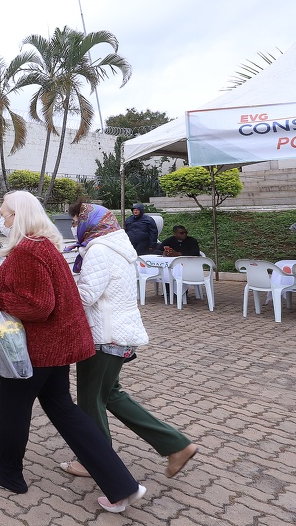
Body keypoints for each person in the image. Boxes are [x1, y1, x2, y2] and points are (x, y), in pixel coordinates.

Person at [0, 191, 146, 514]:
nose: (3, 219)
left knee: (13, 407)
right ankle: (122, 485)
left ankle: (6, 472)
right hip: (55, 347)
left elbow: (39, 305)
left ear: (19, 217)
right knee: (65, 412)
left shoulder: (28, 250)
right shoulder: (42, 245)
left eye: (6, 214)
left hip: (37, 349)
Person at [60, 201, 199, 481]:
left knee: (91, 400)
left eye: (76, 220)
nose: (74, 226)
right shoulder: (117, 248)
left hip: (104, 335)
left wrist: (59, 289)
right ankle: (176, 445)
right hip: (118, 333)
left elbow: (86, 295)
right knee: (111, 395)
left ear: (90, 221)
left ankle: (95, 461)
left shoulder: (99, 250)